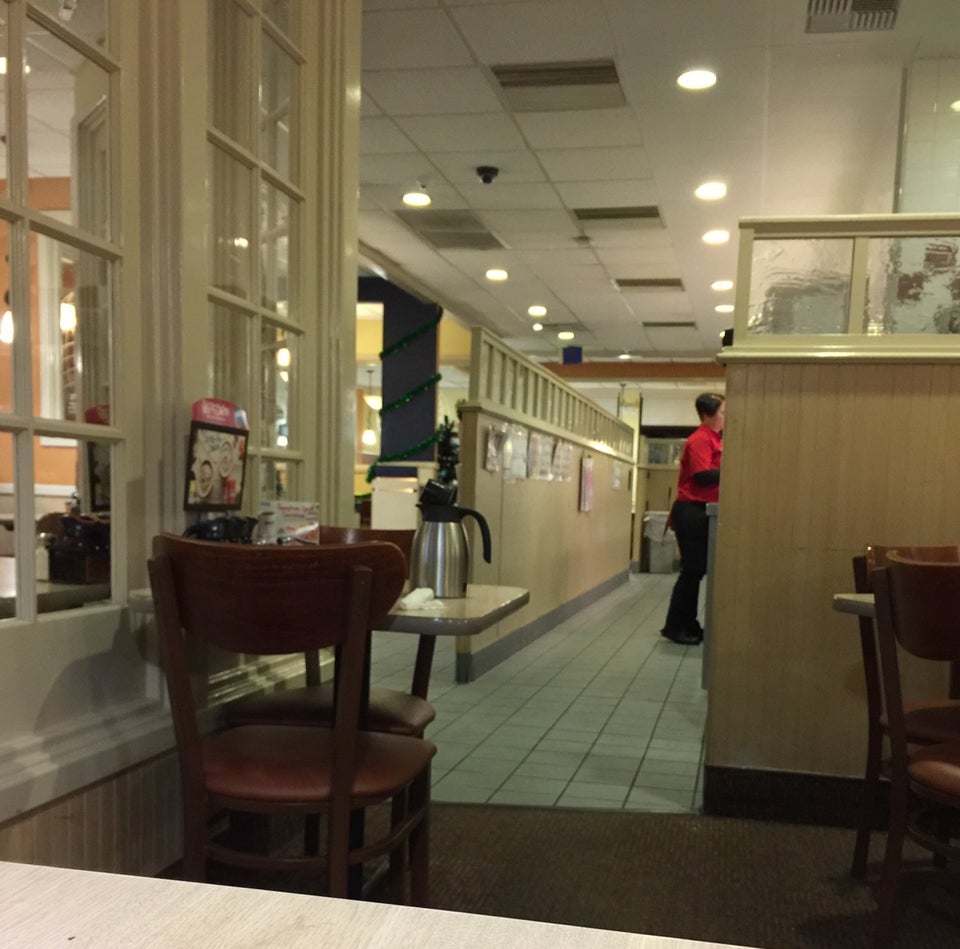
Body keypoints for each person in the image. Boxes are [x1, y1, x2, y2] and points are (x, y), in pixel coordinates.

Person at [660, 392, 725, 646]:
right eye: (722, 412)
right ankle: (675, 626)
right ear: (707, 415)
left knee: (696, 571)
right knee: (692, 571)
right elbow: (703, 475)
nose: (725, 417)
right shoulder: (700, 439)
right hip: (692, 511)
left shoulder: (714, 439)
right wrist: (732, 469)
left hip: (701, 511)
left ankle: (688, 623)